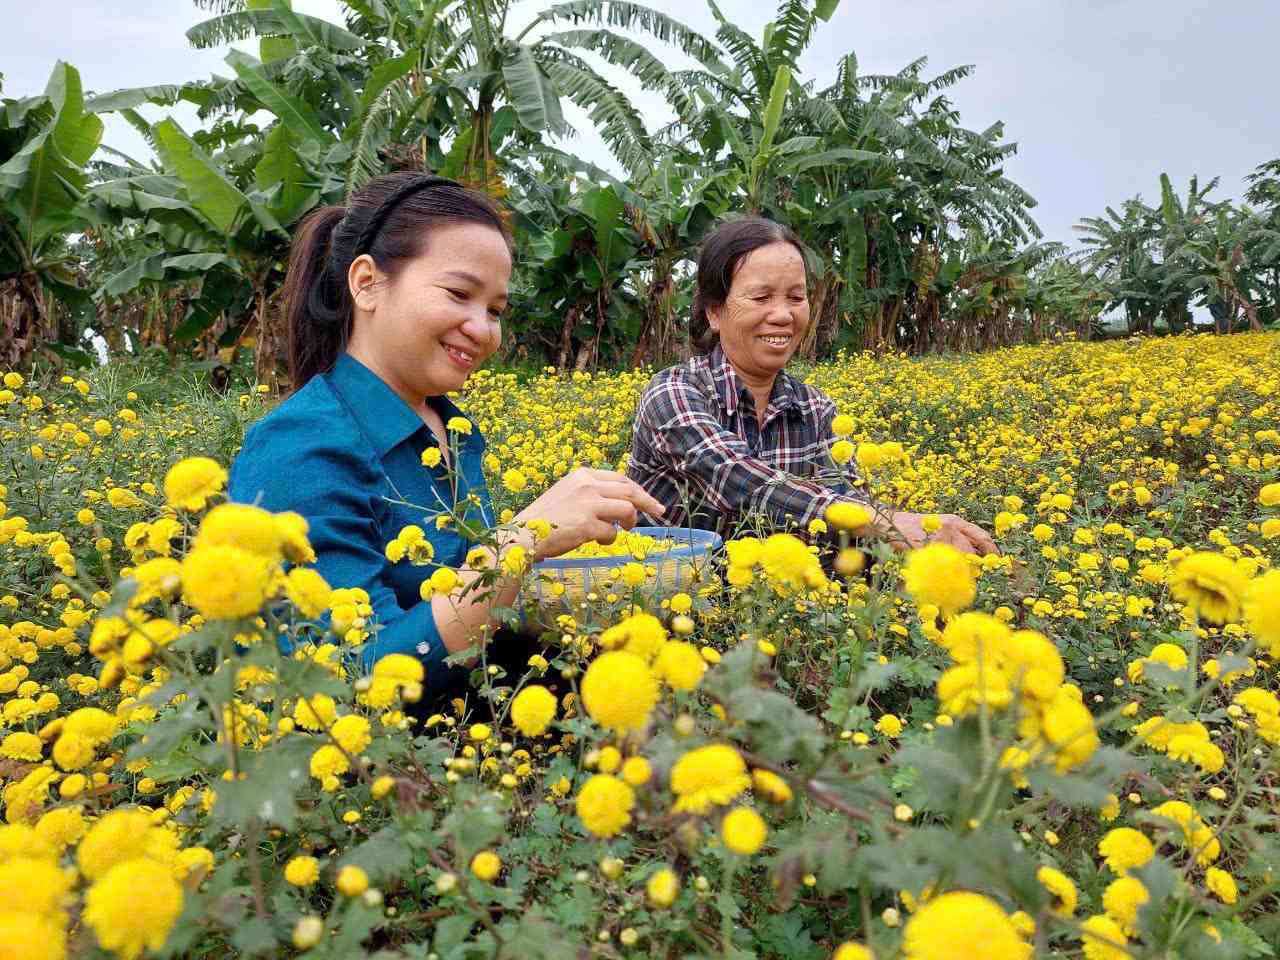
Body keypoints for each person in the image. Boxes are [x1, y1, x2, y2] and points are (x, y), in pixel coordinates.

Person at [229, 172, 664, 700]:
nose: (482, 329)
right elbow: (352, 680)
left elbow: (470, 608)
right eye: (459, 293)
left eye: (495, 310)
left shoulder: (450, 429)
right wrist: (521, 543)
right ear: (366, 282)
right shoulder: (300, 447)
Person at [626, 216, 996, 555]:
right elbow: (736, 479)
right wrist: (886, 522)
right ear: (714, 311)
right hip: (663, 605)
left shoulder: (816, 410)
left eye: (796, 297)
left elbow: (852, 515)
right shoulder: (673, 393)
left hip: (779, 607)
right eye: (761, 297)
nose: (783, 315)